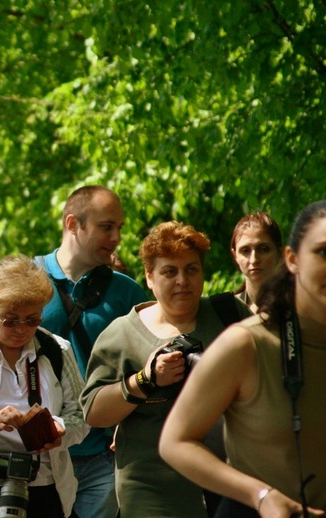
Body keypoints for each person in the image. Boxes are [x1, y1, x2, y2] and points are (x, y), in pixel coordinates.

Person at [0, 184, 147, 518]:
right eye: (106, 226)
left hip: (102, 455)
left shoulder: (127, 293)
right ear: (73, 224)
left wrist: (131, 421)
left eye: (119, 228)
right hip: (33, 462)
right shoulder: (23, 283)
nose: (116, 238)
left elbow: (149, 367)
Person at [160, 201, 326, 518]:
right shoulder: (247, 340)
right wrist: (261, 496)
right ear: (292, 259)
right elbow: (174, 442)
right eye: (324, 252)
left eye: (263, 249)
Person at [80, 221, 251, 517]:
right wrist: (145, 380)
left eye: (191, 269)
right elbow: (94, 412)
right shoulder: (121, 335)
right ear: (149, 277)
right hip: (152, 488)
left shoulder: (230, 315)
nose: (182, 280)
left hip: (230, 480)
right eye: (170, 271)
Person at [0, 255, 89, 517]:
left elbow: (82, 417)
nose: (21, 330)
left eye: (32, 320)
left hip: (45, 486)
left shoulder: (57, 350)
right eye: (10, 320)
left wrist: (59, 430)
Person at [230, 212, 283, 313]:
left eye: (263, 249)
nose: (254, 260)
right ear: (235, 255)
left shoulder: (299, 307)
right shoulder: (226, 311)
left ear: (280, 253)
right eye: (245, 251)